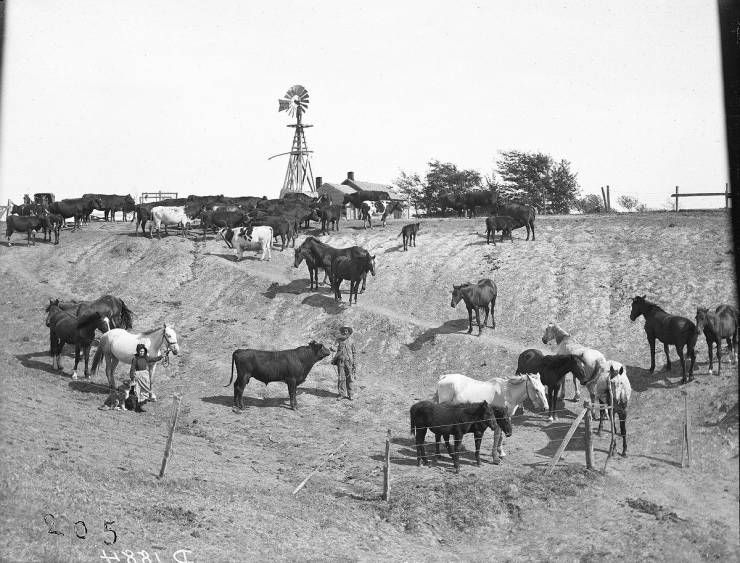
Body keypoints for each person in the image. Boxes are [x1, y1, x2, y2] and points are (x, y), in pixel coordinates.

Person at [331, 326, 356, 400]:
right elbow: (334, 347)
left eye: (347, 331)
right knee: (341, 378)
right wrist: (332, 348)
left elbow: (354, 353)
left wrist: (354, 363)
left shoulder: (352, 341)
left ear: (349, 332)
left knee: (350, 378)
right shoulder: (338, 340)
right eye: (344, 331)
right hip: (340, 362)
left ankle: (350, 394)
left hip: (349, 362)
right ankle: (341, 394)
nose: (345, 332)